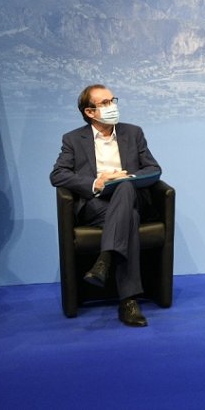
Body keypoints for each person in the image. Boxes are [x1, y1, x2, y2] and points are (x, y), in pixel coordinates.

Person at [50, 85, 161, 327]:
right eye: (105, 103)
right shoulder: (73, 139)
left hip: (131, 195)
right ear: (90, 112)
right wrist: (97, 181)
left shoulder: (133, 133)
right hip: (96, 204)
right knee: (128, 218)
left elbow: (153, 168)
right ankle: (129, 302)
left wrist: (126, 178)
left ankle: (104, 260)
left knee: (124, 188)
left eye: (113, 100)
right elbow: (58, 175)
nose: (113, 106)